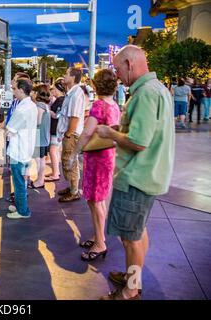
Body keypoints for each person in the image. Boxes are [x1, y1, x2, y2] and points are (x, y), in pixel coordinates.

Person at [96, 45, 175, 300]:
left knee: (130, 239)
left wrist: (109, 133)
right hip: (150, 175)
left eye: (118, 68)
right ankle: (134, 278)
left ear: (130, 64)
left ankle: (130, 290)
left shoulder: (144, 95)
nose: (116, 74)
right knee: (138, 233)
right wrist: (122, 127)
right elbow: (145, 130)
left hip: (136, 176)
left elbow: (139, 141)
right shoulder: (157, 89)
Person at [67, 69, 121, 261]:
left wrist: (74, 153)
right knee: (98, 200)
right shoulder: (114, 105)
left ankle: (100, 243)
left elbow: (87, 133)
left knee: (95, 201)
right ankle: (99, 236)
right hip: (107, 156)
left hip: (97, 158)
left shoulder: (99, 105)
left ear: (96, 86)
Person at [6, 79, 38, 219]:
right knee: (21, 180)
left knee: (19, 181)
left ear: (21, 89)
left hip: (19, 150)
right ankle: (20, 205)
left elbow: (10, 129)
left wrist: (8, 130)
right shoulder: (30, 105)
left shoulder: (22, 108)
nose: (13, 91)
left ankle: (23, 211)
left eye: (14, 89)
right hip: (25, 148)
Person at [56, 68, 86, 202]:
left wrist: (68, 134)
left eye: (67, 74)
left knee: (70, 161)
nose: (64, 76)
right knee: (68, 160)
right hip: (69, 134)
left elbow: (74, 117)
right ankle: (72, 187)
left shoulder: (76, 94)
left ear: (73, 77)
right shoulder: (72, 93)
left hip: (72, 135)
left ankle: (74, 191)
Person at [29, 83, 51, 189]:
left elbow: (37, 122)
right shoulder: (45, 105)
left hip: (39, 137)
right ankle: (40, 179)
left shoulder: (40, 106)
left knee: (39, 159)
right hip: (43, 136)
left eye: (33, 92)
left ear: (37, 93)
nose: (31, 94)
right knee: (41, 159)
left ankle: (40, 180)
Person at [45, 79, 66, 182]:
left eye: (54, 89)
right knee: (55, 151)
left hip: (56, 128)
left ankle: (55, 173)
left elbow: (57, 115)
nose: (52, 91)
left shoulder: (60, 100)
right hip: (57, 128)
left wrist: (47, 110)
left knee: (53, 150)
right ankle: (55, 171)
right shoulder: (62, 99)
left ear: (58, 89)